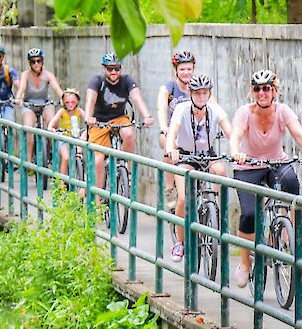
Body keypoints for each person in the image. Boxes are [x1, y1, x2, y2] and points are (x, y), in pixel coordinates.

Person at [229, 69, 302, 287]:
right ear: (252, 91)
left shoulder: (282, 111)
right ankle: (245, 263)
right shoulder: (245, 112)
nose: (262, 93)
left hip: (275, 163)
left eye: (266, 88)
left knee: (291, 183)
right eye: (257, 89)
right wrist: (236, 151)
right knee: (250, 214)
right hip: (248, 166)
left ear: (274, 91)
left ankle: (283, 231)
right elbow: (236, 134)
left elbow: (298, 133)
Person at [164, 73, 232, 261]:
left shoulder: (215, 109)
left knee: (221, 171)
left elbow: (231, 133)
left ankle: (216, 213)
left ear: (209, 94)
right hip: (185, 155)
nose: (201, 97)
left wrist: (238, 150)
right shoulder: (181, 109)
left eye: (205, 93)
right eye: (197, 93)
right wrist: (171, 149)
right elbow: (172, 132)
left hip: (206, 154)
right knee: (185, 199)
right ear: (190, 94)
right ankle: (180, 242)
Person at [85, 52, 155, 191]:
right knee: (98, 161)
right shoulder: (97, 80)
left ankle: (127, 169)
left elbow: (136, 98)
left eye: (117, 68)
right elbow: (90, 99)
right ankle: (98, 201)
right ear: (104, 69)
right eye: (110, 69)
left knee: (129, 134)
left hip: (119, 118)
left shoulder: (127, 80)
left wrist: (147, 116)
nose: (113, 72)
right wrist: (88, 116)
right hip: (99, 121)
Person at [157, 51, 197, 205]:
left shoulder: (198, 87)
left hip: (193, 136)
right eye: (182, 69)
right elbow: (161, 108)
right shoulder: (170, 88)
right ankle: (169, 188)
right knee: (170, 146)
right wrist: (163, 126)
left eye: (189, 69)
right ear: (176, 71)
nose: (186, 72)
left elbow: (213, 106)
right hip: (171, 133)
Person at [15, 47, 64, 162]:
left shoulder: (48, 75)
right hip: (30, 105)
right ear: (29, 63)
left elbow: (57, 88)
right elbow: (21, 88)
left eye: (38, 61)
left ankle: (52, 154)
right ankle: (27, 161)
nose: (36, 64)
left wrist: (63, 99)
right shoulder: (25, 75)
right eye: (33, 61)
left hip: (45, 104)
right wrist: (18, 98)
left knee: (52, 124)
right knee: (28, 129)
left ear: (42, 61)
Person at [46, 88, 86, 179]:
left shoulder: (79, 111)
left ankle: (79, 158)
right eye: (67, 102)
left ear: (77, 101)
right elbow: (53, 121)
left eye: (73, 102)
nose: (70, 104)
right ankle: (61, 181)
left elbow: (87, 118)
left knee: (82, 140)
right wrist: (51, 128)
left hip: (75, 137)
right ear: (63, 102)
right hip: (64, 138)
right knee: (66, 158)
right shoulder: (62, 112)